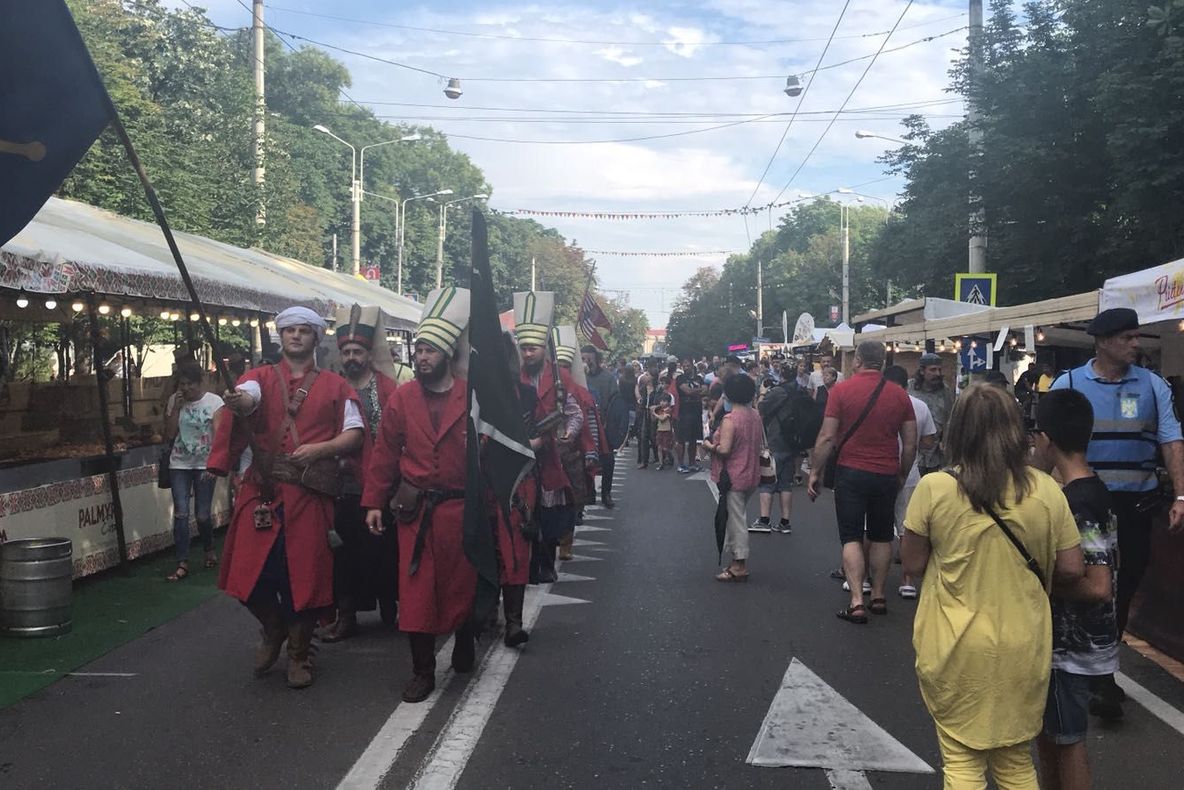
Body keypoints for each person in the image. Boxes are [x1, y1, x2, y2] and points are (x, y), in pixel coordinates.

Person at [902, 384, 1084, 789]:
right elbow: (1072, 567)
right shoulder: (1046, 490)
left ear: (958, 431)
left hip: (954, 641)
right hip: (1024, 642)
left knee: (962, 761)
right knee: (1016, 760)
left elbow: (912, 564)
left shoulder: (936, 488)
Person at [209, 306, 365, 689]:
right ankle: (273, 625)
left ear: (315, 337)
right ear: (280, 336)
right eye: (289, 330)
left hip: (310, 494)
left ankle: (298, 655)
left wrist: (321, 449)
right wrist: (238, 402)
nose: (295, 335)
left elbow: (355, 433)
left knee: (305, 579)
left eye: (303, 330)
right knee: (248, 572)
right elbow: (248, 400)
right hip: (263, 490)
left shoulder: (335, 385)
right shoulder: (257, 378)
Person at [1051, 307, 1184, 718]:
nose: (1135, 344)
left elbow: (1171, 440)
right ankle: (1096, 673)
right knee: (1090, 583)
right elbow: (1047, 443)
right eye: (1127, 337)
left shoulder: (1153, 385)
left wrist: (1181, 496)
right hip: (1083, 505)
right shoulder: (1069, 384)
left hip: (1135, 505)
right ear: (1103, 341)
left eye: (1135, 337)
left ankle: (1099, 661)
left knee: (1123, 586)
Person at [361, 287, 479, 703]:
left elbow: (489, 456)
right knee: (415, 593)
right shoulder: (403, 398)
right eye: (420, 350)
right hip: (415, 513)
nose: (423, 357)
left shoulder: (472, 398)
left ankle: (465, 636)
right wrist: (375, 501)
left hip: (461, 511)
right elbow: (385, 452)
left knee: (460, 587)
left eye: (431, 350)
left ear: (447, 354)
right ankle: (423, 671)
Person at [1030, 389, 1118, 790]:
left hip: (1070, 648)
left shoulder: (1077, 503)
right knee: (1051, 738)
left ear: (1045, 439)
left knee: (1067, 742)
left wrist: (1041, 582)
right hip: (1070, 645)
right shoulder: (1091, 489)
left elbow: (1098, 585)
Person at [808, 340, 917, 623]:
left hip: (851, 472)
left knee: (852, 536)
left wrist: (815, 471)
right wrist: (902, 473)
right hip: (886, 473)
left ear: (857, 360)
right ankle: (879, 595)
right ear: (882, 362)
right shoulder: (899, 395)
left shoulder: (841, 392)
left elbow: (828, 437)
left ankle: (857, 600)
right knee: (882, 535)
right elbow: (910, 443)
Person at [321, 304, 401, 642]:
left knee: (386, 550)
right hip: (344, 486)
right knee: (344, 555)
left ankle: (390, 610)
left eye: (358, 351)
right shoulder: (332, 387)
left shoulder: (387, 387)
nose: (352, 357)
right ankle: (346, 615)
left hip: (384, 483)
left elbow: (399, 434)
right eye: (347, 352)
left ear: (369, 354)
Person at [515, 292, 582, 584]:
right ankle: (525, 567)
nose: (527, 353)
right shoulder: (511, 376)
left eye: (532, 348)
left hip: (549, 456)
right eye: (523, 348)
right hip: (517, 457)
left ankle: (546, 562)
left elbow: (574, 413)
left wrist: (567, 433)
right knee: (521, 515)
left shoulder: (559, 379)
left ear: (544, 348)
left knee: (548, 514)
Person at [163, 361, 223, 581]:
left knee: (202, 514)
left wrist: (215, 464)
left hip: (204, 463)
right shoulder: (175, 401)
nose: (185, 389)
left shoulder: (214, 402)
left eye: (189, 384)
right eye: (182, 385)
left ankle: (208, 548)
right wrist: (176, 408)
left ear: (200, 384)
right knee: (181, 512)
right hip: (179, 463)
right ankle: (182, 561)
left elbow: (219, 433)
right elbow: (169, 435)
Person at [702, 373, 763, 582]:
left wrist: (709, 445)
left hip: (733, 476)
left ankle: (739, 564)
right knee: (736, 515)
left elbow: (725, 449)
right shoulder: (755, 415)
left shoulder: (730, 419)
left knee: (736, 520)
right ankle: (736, 559)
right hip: (751, 473)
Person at [882, 365, 936, 599]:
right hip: (911, 473)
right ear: (907, 382)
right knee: (906, 526)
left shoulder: (879, 402)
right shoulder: (920, 406)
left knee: (873, 526)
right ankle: (907, 581)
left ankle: (870, 580)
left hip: (880, 470)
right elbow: (928, 441)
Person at [754, 377, 808, 534]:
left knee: (767, 481)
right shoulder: (800, 391)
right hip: (792, 443)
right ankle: (785, 522)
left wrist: (763, 393)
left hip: (776, 441)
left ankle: (764, 520)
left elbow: (760, 409)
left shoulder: (778, 391)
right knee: (785, 484)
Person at [581, 344, 619, 508]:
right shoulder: (579, 377)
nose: (587, 362)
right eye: (583, 359)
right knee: (585, 462)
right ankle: (589, 493)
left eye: (589, 358)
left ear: (596, 358)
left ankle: (606, 493)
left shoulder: (608, 378)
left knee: (608, 460)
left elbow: (615, 403)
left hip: (603, 426)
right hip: (585, 427)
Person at [909, 352, 955, 475]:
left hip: (935, 454)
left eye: (939, 370)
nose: (937, 374)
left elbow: (949, 420)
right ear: (922, 371)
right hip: (913, 452)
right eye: (933, 370)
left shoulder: (945, 391)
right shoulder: (910, 388)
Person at [674, 357, 706, 474]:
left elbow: (705, 390)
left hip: (696, 411)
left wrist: (695, 391)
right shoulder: (680, 378)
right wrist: (698, 391)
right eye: (684, 366)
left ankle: (692, 463)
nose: (686, 368)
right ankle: (681, 464)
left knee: (694, 439)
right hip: (684, 411)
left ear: (692, 366)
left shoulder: (699, 378)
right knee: (681, 439)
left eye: (688, 365)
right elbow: (687, 391)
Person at [652, 392, 675, 469]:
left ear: (668, 402)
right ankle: (661, 463)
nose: (662, 402)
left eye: (664, 401)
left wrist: (654, 413)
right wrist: (654, 412)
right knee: (659, 447)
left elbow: (662, 418)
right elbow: (654, 420)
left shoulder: (669, 410)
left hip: (667, 431)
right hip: (659, 430)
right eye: (661, 401)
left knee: (666, 448)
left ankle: (670, 457)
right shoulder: (659, 410)